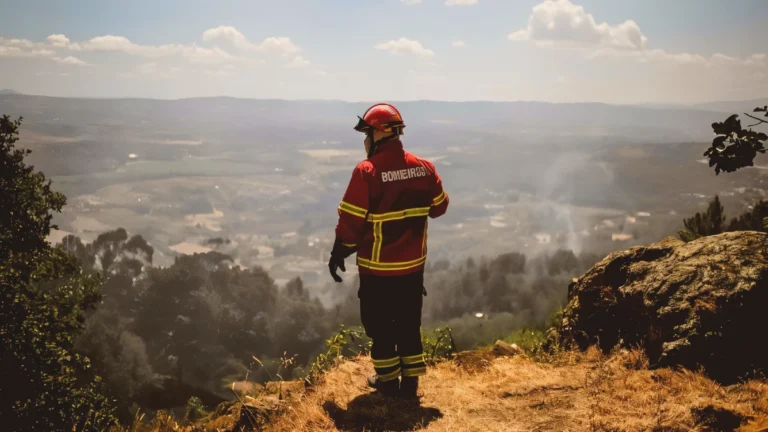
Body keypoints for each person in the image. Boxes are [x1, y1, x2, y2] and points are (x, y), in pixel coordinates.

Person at [328, 103, 449, 399]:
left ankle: (386, 382)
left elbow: (350, 223)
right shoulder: (424, 167)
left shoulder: (366, 171)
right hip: (412, 268)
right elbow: (440, 207)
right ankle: (410, 384)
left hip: (378, 270)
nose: (365, 141)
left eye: (367, 134)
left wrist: (337, 252)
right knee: (409, 324)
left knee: (380, 327)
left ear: (380, 134)